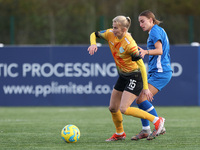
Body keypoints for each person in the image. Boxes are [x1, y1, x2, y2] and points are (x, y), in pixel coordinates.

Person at [87, 15, 165, 141]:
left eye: (116, 28)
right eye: (113, 27)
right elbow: (93, 34)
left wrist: (145, 88)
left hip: (135, 76)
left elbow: (142, 67)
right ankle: (120, 134)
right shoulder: (110, 34)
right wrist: (93, 44)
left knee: (123, 108)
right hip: (123, 76)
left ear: (124, 30)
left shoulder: (130, 44)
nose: (113, 30)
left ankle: (157, 120)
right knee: (113, 107)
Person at [131, 10, 173, 140]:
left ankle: (158, 124)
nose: (140, 24)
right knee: (140, 99)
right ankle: (146, 130)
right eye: (139, 22)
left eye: (142, 21)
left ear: (151, 20)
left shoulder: (155, 31)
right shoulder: (157, 30)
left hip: (161, 72)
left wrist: (145, 51)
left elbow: (159, 50)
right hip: (158, 72)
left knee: (141, 99)